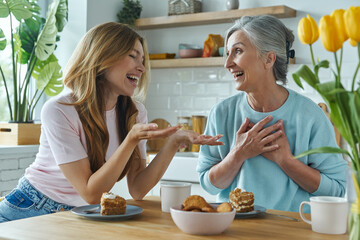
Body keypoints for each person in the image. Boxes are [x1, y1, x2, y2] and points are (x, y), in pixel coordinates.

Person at [0, 22, 223, 223]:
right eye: (133, 56)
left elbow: (137, 189)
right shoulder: (59, 110)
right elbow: (90, 193)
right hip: (30, 208)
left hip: (80, 214)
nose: (142, 68)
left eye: (142, 60)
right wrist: (131, 139)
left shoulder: (135, 112)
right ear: (103, 57)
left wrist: (173, 143)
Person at [196, 15, 348, 212]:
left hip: (292, 228)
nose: (227, 64)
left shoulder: (310, 116)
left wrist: (286, 161)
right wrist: (238, 154)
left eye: (238, 51)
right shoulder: (222, 113)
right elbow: (207, 183)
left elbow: (337, 190)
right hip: (234, 228)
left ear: (269, 59)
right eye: (227, 53)